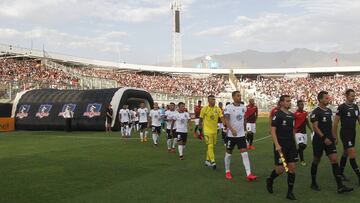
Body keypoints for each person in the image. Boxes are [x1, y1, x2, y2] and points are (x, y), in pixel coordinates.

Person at [310, 91, 353, 193]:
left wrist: (334, 136)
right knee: (316, 160)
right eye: (326, 98)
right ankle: (313, 182)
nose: (328, 99)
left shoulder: (329, 111)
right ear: (320, 99)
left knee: (334, 160)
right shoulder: (315, 112)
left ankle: (340, 186)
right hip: (319, 140)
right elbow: (315, 127)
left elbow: (331, 126)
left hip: (329, 139)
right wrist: (324, 138)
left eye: (328, 98)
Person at [266, 95, 297, 200]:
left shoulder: (292, 115)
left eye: (290, 101)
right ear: (281, 103)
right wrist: (277, 144)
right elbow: (273, 131)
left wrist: (295, 143)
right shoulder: (277, 115)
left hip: (291, 145)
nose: (289, 103)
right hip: (281, 146)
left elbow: (292, 130)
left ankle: (290, 193)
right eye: (287, 101)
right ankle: (270, 179)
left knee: (292, 168)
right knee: (281, 169)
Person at [223, 91, 257, 181]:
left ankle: (249, 174)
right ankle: (227, 171)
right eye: (238, 96)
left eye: (240, 95)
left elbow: (244, 119)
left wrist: (245, 130)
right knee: (229, 154)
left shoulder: (243, 108)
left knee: (245, 153)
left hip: (241, 135)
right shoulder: (228, 107)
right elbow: (226, 120)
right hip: (231, 136)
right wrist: (231, 129)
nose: (240, 97)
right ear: (233, 97)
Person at [333, 89, 360, 184]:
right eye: (352, 96)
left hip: (353, 133)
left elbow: (358, 119)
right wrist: (335, 136)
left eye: (354, 95)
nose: (354, 97)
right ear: (347, 96)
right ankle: (359, 176)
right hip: (345, 134)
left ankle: (340, 173)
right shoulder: (342, 107)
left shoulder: (356, 107)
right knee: (352, 153)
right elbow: (335, 122)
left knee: (345, 153)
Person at [200, 95, 225, 169]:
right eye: (212, 99)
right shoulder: (204, 109)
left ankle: (207, 161)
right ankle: (213, 162)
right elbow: (201, 119)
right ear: (208, 101)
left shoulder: (217, 109)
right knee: (210, 145)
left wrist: (224, 124)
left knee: (211, 146)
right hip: (207, 131)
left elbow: (221, 117)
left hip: (215, 130)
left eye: (214, 99)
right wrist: (199, 129)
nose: (213, 101)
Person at [294, 100, 312, 166]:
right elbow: (293, 123)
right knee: (301, 145)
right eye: (300, 104)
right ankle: (302, 160)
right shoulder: (295, 114)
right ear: (297, 105)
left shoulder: (305, 113)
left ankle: (295, 153)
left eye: (302, 104)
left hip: (304, 132)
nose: (302, 105)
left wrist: (311, 129)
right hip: (298, 132)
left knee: (304, 146)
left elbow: (307, 121)